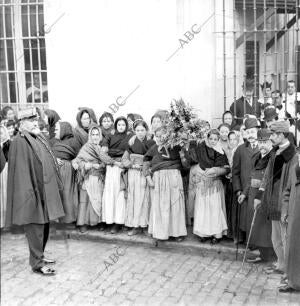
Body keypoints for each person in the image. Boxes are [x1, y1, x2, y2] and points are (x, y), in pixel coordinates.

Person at [6, 108, 64, 275]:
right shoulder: (19, 141)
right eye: (31, 120)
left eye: (35, 119)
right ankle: (37, 264)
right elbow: (22, 172)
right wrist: (29, 194)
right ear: (22, 124)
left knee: (44, 225)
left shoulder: (37, 136)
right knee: (35, 228)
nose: (35, 122)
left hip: (44, 189)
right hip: (32, 192)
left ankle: (41, 255)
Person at [254, 120, 298, 277]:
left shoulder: (293, 155)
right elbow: (267, 175)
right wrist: (259, 195)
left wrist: (287, 207)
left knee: (286, 238)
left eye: (273, 134)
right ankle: (281, 264)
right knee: (276, 238)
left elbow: (293, 184)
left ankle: (289, 271)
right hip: (272, 201)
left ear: (282, 135)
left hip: (285, 203)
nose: (271, 137)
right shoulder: (275, 151)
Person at [143, 126, 187, 242]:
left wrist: (183, 154)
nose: (159, 138)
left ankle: (176, 232)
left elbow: (185, 164)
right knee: (161, 206)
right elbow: (146, 163)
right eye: (157, 136)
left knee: (175, 205)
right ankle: (161, 232)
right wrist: (148, 178)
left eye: (162, 136)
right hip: (159, 180)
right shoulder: (153, 149)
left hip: (174, 178)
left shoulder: (175, 147)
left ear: (167, 136)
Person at [188, 129, 229, 244]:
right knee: (203, 209)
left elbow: (226, 168)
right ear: (207, 138)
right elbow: (193, 158)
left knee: (214, 209)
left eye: (216, 139)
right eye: (211, 138)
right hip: (202, 183)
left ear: (219, 140)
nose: (213, 141)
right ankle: (204, 233)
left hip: (214, 184)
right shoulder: (201, 149)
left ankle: (217, 234)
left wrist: (215, 170)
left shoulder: (221, 152)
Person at [73, 126, 114, 233]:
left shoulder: (102, 149)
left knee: (97, 200)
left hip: (99, 177)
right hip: (87, 178)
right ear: (90, 136)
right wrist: (87, 164)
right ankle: (83, 223)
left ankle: (97, 222)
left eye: (97, 134)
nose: (95, 137)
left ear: (100, 136)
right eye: (93, 134)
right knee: (85, 201)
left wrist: (100, 166)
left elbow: (106, 161)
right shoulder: (86, 147)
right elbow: (77, 161)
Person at [243, 129, 274, 263]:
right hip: (252, 194)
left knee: (264, 227)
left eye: (265, 142)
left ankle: (267, 255)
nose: (262, 145)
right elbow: (251, 176)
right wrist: (244, 193)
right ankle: (261, 253)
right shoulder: (256, 157)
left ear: (271, 142)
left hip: (264, 195)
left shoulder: (273, 158)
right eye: (260, 142)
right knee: (255, 224)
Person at [122, 120, 155, 235]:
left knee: (145, 199)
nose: (140, 133)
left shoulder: (151, 143)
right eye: (137, 130)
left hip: (145, 173)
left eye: (142, 130)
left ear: (146, 130)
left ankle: (145, 225)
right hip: (133, 173)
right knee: (134, 199)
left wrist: (147, 168)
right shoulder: (131, 143)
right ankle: (135, 226)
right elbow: (124, 160)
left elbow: (154, 159)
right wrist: (132, 165)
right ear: (134, 131)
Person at [102, 117, 133, 234]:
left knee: (121, 194)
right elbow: (103, 153)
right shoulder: (109, 136)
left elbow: (129, 151)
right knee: (111, 193)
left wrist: (121, 158)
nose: (121, 127)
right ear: (115, 125)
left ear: (126, 126)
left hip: (122, 168)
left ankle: (120, 221)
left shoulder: (130, 137)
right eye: (119, 125)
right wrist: (114, 161)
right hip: (111, 167)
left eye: (123, 125)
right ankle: (111, 220)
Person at [232, 118, 260, 243]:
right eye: (248, 132)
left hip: (259, 190)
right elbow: (235, 172)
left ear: (258, 132)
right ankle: (246, 240)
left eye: (253, 132)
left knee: (258, 217)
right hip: (244, 190)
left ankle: (256, 242)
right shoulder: (240, 149)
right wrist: (238, 190)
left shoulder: (263, 147)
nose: (251, 135)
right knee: (245, 218)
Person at [52, 121, 81, 224]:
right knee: (58, 194)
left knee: (67, 194)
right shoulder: (54, 141)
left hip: (68, 171)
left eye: (57, 129)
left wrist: (73, 162)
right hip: (56, 171)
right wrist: (54, 159)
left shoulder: (73, 141)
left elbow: (79, 156)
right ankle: (58, 219)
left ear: (64, 130)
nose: (55, 131)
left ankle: (69, 219)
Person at [280, 154, 300, 292]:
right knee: (293, 250)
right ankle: (293, 282)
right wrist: (285, 211)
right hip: (294, 217)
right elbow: (287, 192)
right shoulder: (294, 169)